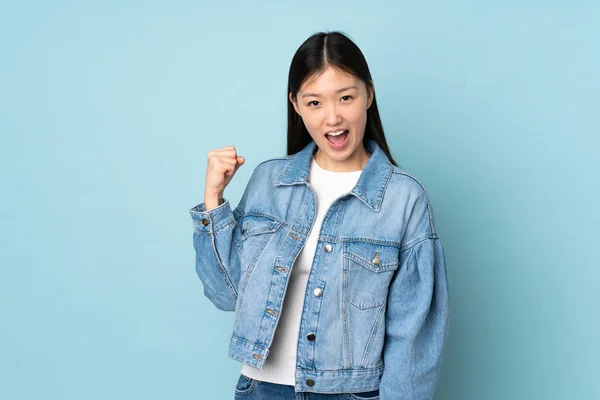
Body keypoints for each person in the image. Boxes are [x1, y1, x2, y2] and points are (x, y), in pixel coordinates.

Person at [190, 31, 450, 400]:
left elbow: (415, 335)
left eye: (346, 97)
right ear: (296, 104)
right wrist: (213, 200)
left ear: (368, 96)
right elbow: (226, 294)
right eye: (315, 102)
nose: (333, 117)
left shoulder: (403, 198)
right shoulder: (269, 181)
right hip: (260, 390)